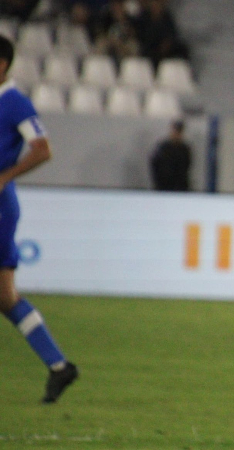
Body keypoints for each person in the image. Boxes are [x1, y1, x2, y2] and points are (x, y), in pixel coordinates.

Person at [0, 35, 79, 404]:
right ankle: (59, 366)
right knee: (6, 297)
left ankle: (59, 366)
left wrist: (4, 176)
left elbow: (43, 149)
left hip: (0, 205)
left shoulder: (14, 103)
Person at [150, 120, 191, 192]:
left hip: (179, 187)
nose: (176, 134)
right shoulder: (163, 148)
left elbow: (185, 168)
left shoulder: (184, 149)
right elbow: (155, 165)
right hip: (163, 186)